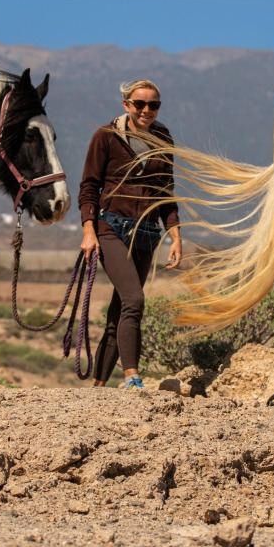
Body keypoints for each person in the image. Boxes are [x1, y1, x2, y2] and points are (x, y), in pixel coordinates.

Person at [78, 79, 182, 389]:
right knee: (134, 300)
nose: (146, 110)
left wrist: (175, 235)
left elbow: (166, 192)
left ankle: (98, 386)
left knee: (120, 310)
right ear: (126, 105)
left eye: (153, 105)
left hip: (146, 233)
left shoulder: (164, 139)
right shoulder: (106, 136)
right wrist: (89, 231)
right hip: (110, 228)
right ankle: (132, 377)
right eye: (140, 104)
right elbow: (89, 187)